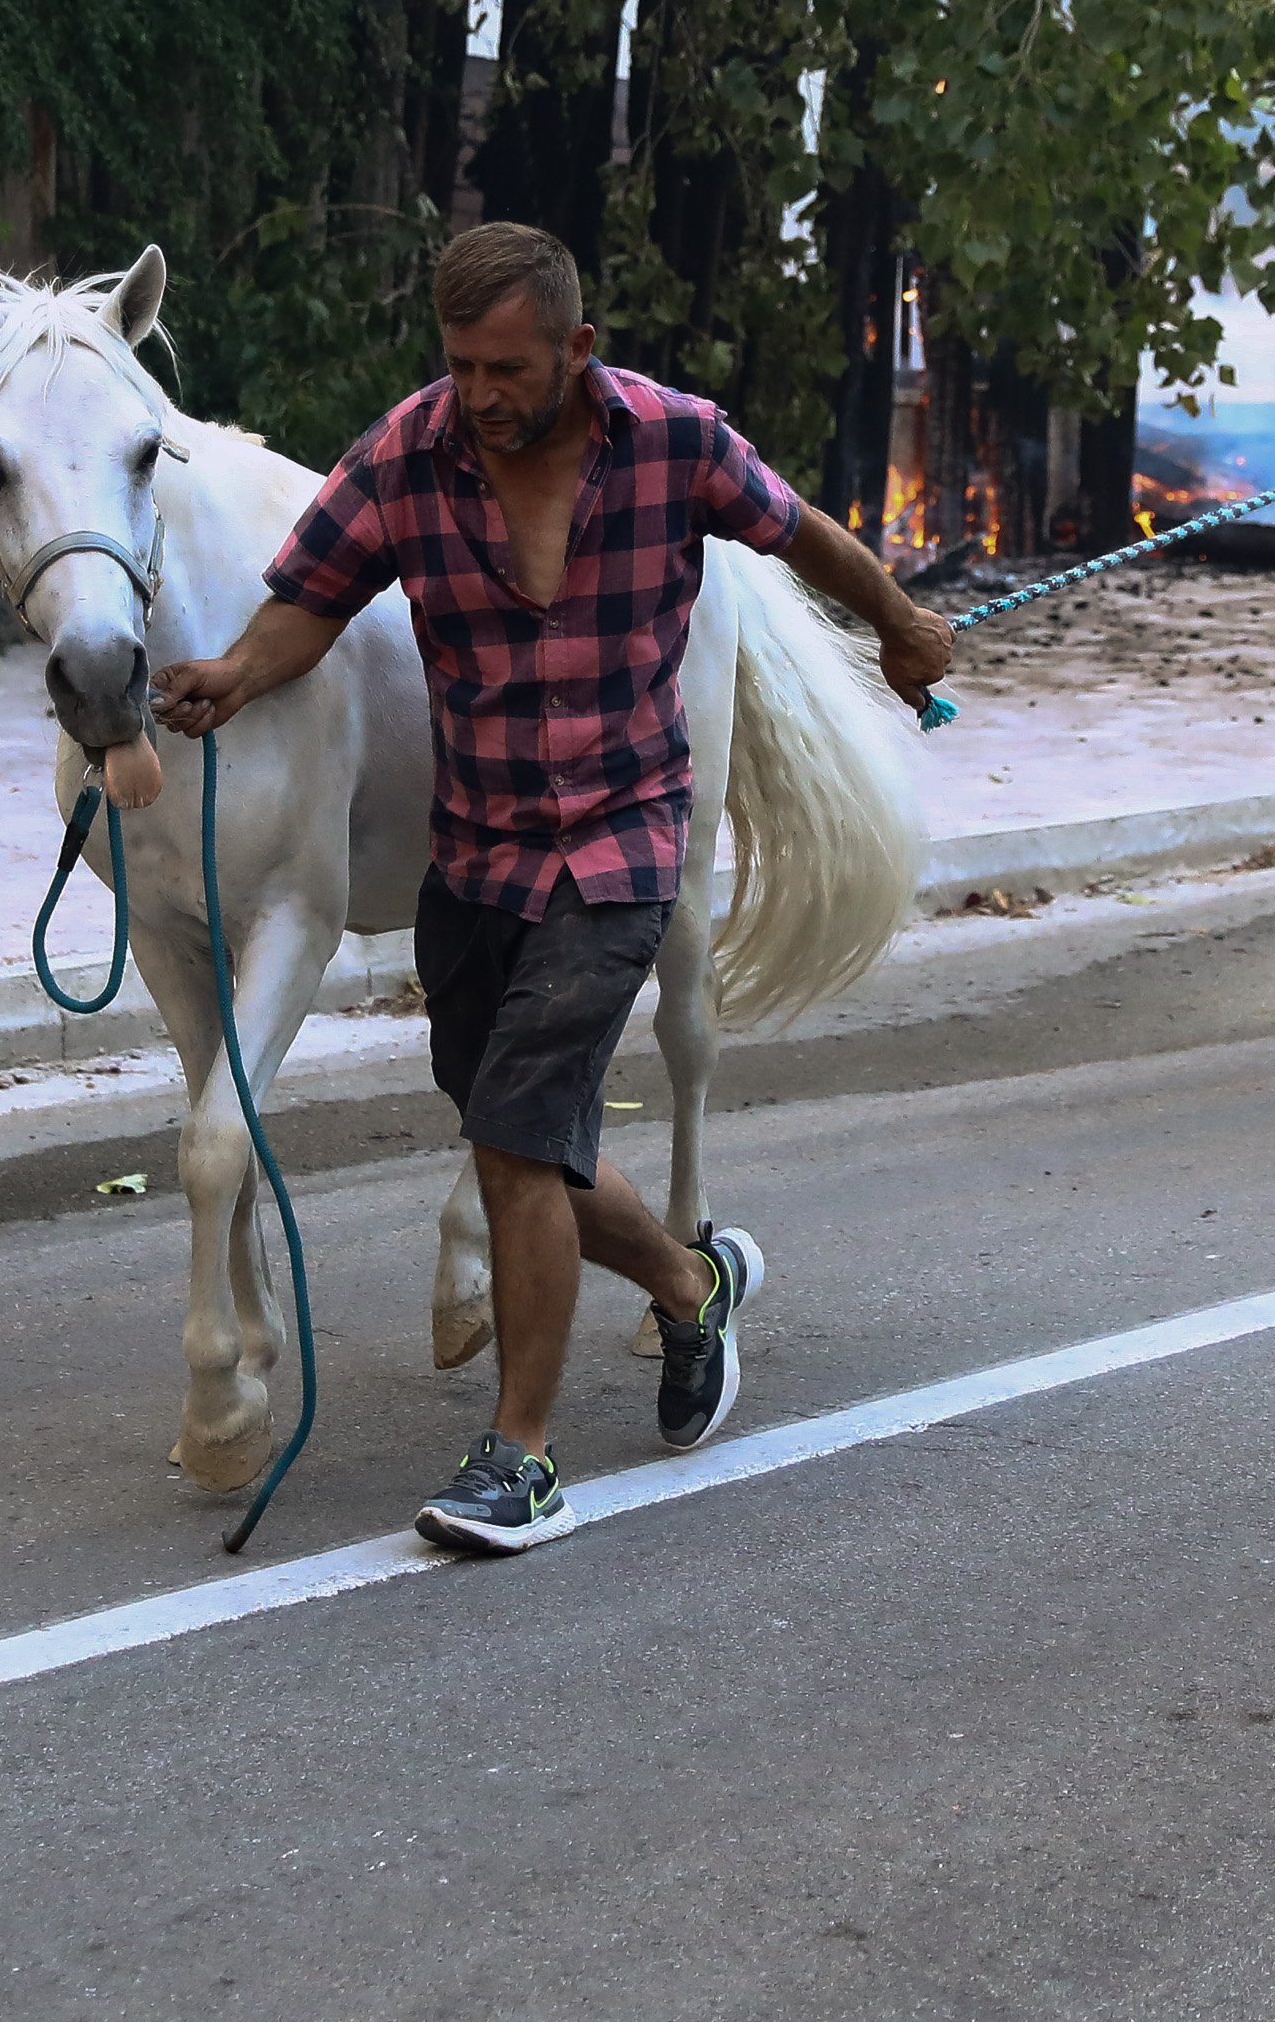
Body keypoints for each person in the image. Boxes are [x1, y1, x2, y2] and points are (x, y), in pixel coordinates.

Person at [151, 220, 954, 1554]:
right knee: (525, 1142)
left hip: (620, 845)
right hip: (477, 859)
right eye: (460, 365)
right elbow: (314, 597)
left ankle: (519, 1455)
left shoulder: (672, 439)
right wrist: (237, 672)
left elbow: (800, 531)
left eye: (507, 368)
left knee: (520, 1138)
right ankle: (693, 1287)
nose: (479, 395)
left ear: (577, 350)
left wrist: (903, 625)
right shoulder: (408, 452)